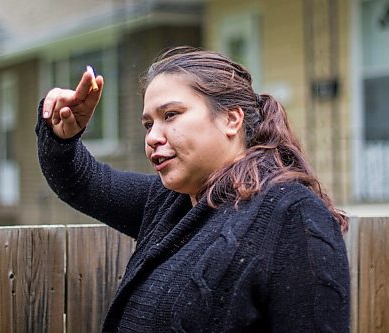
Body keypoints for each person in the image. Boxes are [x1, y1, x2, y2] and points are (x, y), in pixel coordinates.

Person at [36, 46, 350, 332]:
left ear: (231, 119)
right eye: (149, 124)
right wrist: (61, 135)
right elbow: (82, 183)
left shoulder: (293, 215)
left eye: (170, 115)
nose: (153, 137)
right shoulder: (168, 202)